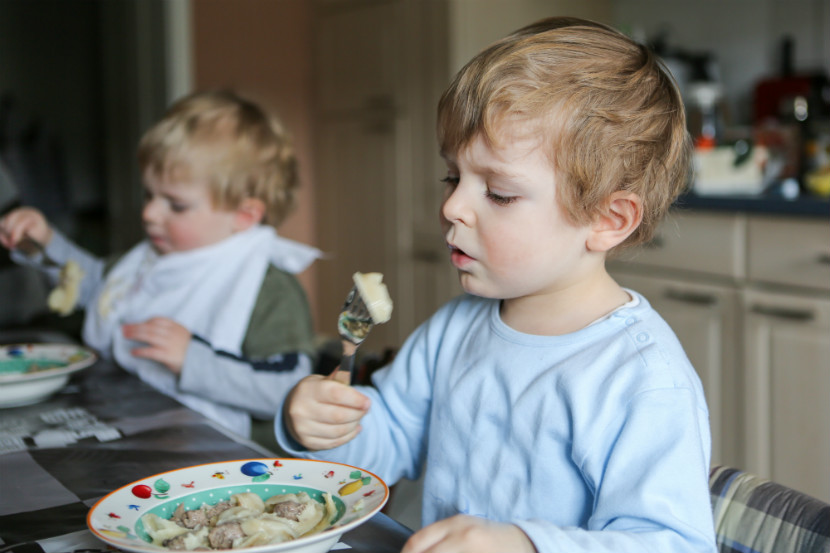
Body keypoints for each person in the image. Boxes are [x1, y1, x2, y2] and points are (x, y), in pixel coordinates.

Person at [276, 16, 718, 553]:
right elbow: (381, 445)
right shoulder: (453, 330)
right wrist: (316, 428)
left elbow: (672, 544)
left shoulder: (641, 380)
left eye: (500, 193)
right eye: (452, 177)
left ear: (608, 219)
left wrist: (526, 544)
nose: (452, 207)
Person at [0, 90, 321, 440]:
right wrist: (45, 243)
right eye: (149, 195)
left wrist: (193, 361)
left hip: (219, 459)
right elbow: (94, 288)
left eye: (176, 205)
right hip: (134, 423)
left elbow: (288, 391)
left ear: (244, 215)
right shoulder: (150, 259)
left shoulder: (267, 288)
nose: (149, 214)